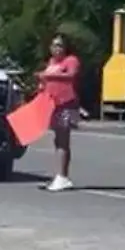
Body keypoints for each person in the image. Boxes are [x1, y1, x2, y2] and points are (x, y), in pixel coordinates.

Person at [39, 33, 80, 192]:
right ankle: (59, 175)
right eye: (54, 45)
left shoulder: (71, 60)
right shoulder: (51, 62)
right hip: (53, 104)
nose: (56, 49)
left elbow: (71, 75)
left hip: (66, 103)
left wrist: (48, 75)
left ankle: (63, 176)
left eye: (60, 45)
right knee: (57, 140)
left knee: (63, 139)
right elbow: (48, 80)